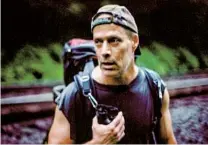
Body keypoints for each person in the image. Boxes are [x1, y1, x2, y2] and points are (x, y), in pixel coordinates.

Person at [48, 4, 177, 144]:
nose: (104, 52)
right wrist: (98, 142)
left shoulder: (155, 86)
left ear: (134, 42)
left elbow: (168, 139)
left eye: (114, 41)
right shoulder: (74, 95)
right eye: (98, 42)